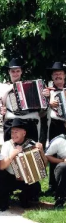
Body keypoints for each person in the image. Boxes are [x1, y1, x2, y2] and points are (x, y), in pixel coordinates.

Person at [0, 118, 46, 211]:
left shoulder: (31, 144)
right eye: (12, 132)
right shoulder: (7, 145)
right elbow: (1, 166)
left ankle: (23, 197)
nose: (13, 135)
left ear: (24, 133)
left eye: (16, 132)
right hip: (10, 177)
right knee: (1, 181)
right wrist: (12, 155)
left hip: (26, 177)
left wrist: (42, 151)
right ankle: (3, 200)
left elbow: (43, 165)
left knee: (36, 188)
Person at [0, 58, 40, 142]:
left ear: (21, 72)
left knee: (31, 151)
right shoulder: (3, 87)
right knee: (11, 151)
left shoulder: (30, 86)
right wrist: (10, 89)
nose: (15, 73)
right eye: (13, 71)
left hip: (29, 123)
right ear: (9, 72)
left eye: (17, 71)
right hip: (11, 123)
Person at [44, 62, 66, 194]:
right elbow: (40, 109)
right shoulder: (47, 91)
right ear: (52, 76)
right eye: (55, 74)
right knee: (53, 153)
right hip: (55, 124)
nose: (58, 75)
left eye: (60, 73)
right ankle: (53, 185)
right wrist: (48, 102)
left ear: (64, 75)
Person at [45, 134, 66, 208]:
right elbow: (47, 155)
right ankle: (60, 197)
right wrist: (62, 160)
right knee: (62, 167)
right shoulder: (59, 140)